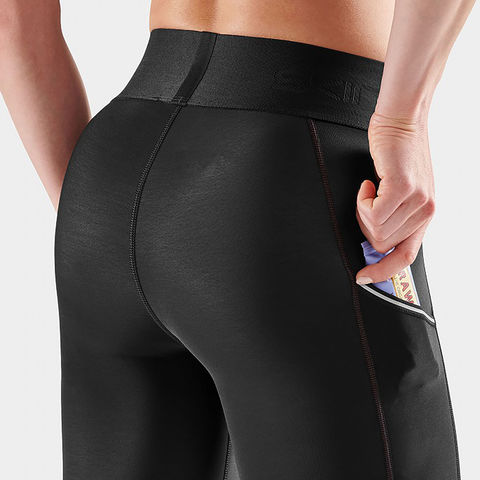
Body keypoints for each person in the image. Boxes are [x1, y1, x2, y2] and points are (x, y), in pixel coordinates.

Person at [0, 1, 475, 479]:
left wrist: (94, 216)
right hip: (288, 157)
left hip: (112, 172)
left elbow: (13, 17)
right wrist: (401, 120)